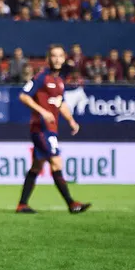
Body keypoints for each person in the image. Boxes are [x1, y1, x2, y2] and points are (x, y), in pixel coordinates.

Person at [16, 44, 91, 214]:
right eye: (54, 56)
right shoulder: (41, 77)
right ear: (48, 59)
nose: (57, 59)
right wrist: (42, 111)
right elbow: (23, 95)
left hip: (51, 128)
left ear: (64, 59)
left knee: (36, 166)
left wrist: (71, 121)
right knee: (56, 162)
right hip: (42, 129)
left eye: (60, 56)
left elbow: (60, 103)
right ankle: (72, 204)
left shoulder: (59, 80)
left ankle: (22, 205)